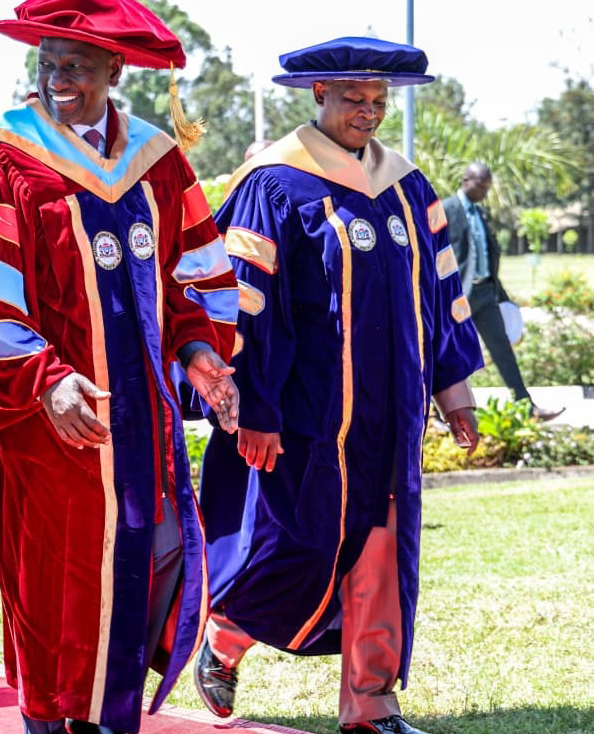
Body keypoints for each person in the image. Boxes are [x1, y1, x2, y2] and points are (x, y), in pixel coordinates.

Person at [0, 0, 240, 734]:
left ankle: (111, 720)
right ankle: (48, 724)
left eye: (79, 64)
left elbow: (189, 277)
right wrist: (44, 379)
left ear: (115, 71)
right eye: (49, 61)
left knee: (139, 572)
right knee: (54, 586)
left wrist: (196, 347)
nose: (59, 77)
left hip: (139, 429)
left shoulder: (157, 161)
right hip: (43, 430)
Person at [187, 37, 484, 734]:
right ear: (318, 96)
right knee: (297, 543)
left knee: (382, 549)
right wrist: (251, 409)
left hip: (393, 414)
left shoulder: (407, 186)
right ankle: (225, 634)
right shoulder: (274, 184)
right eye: (354, 98)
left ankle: (371, 704)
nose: (369, 112)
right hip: (304, 417)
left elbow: (440, 294)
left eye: (380, 101)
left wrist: (455, 390)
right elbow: (244, 307)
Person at [442, 162, 563, 420]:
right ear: (465, 180)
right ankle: (437, 414)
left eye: (488, 187)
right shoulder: (446, 210)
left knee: (503, 351)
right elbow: (436, 255)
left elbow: (488, 254)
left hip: (486, 294)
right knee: (447, 353)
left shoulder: (482, 213)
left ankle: (527, 407)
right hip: (457, 297)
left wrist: (502, 295)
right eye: (481, 186)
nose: (485, 192)